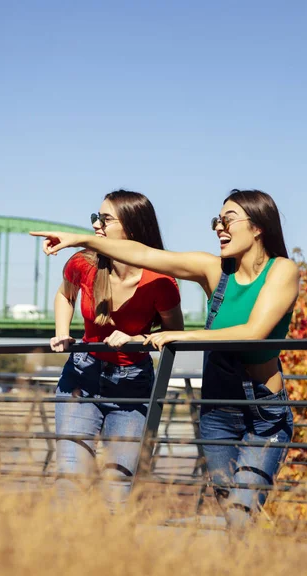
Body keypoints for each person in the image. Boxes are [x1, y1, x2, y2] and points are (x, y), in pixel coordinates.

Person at [31, 189, 298, 529]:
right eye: (217, 220)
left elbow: (254, 331)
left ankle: (258, 573)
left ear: (258, 226)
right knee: (231, 510)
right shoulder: (214, 270)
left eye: (227, 219)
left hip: (263, 412)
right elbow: (143, 254)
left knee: (241, 513)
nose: (219, 227)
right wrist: (79, 239)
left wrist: (180, 335)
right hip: (217, 409)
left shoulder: (282, 270)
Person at [41, 190, 183, 508]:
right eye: (96, 217)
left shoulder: (160, 281)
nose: (96, 225)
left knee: (116, 493)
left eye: (105, 219)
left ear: (131, 228)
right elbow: (65, 296)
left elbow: (175, 333)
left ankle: (106, 557)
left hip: (132, 387)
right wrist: (62, 333)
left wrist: (137, 339)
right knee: (70, 486)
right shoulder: (83, 263)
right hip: (81, 377)